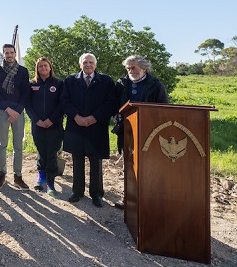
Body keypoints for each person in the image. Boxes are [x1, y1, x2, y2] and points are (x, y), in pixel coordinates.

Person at [113, 55, 169, 209]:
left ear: (143, 68)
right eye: (128, 68)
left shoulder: (156, 85)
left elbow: (164, 110)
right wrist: (116, 115)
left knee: (149, 168)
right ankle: (129, 199)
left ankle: (148, 201)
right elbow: (114, 104)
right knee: (128, 167)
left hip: (149, 134)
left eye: (134, 68)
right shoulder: (121, 84)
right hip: (127, 133)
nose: (130, 71)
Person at [61, 53, 117, 207]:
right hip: (76, 125)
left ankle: (97, 193)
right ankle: (77, 191)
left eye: (91, 62)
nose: (88, 65)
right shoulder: (70, 80)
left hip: (96, 126)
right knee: (77, 159)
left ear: (95, 65)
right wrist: (76, 116)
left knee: (96, 160)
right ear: (80, 64)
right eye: (85, 62)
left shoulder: (106, 81)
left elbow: (111, 102)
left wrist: (95, 117)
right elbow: (64, 100)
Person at [0, 43, 30, 189]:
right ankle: (2, 175)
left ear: (15, 54)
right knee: (2, 145)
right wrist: (8, 109)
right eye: (6, 53)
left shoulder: (23, 71)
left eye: (11, 53)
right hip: (3, 112)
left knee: (18, 146)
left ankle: (18, 176)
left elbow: (26, 93)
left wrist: (17, 111)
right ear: (3, 54)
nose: (9, 55)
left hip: (18, 114)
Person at [26, 57, 64, 196]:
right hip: (38, 125)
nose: (43, 68)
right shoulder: (31, 84)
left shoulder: (59, 83)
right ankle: (41, 181)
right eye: (40, 66)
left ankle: (51, 183)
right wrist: (37, 120)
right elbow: (27, 105)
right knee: (41, 152)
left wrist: (51, 120)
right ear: (37, 69)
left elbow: (62, 104)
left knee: (52, 153)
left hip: (54, 125)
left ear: (50, 67)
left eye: (45, 65)